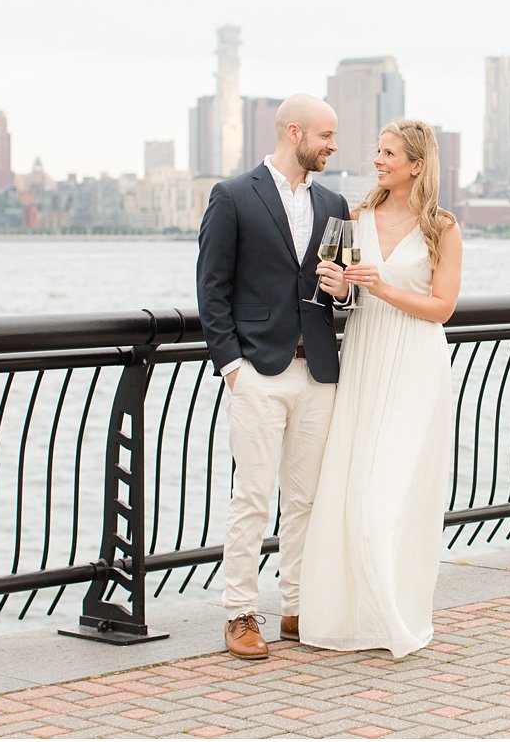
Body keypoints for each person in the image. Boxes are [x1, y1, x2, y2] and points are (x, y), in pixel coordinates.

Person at [195, 93, 351, 661]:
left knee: (307, 498)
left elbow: (343, 289)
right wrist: (232, 366)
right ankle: (240, 613)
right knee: (252, 498)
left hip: (319, 372)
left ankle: (297, 606)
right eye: (326, 135)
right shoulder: (233, 195)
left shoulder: (335, 201)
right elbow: (211, 289)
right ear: (294, 132)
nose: (334, 145)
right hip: (257, 370)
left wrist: (346, 289)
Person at [298, 119, 462, 658]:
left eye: (389, 152)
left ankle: (396, 614)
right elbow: (343, 297)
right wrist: (340, 286)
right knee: (354, 490)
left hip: (416, 365)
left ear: (417, 164)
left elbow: (442, 309)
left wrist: (383, 287)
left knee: (392, 496)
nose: (378, 159)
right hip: (366, 359)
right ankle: (353, 616)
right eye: (378, 150)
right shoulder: (355, 218)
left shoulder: (443, 227)